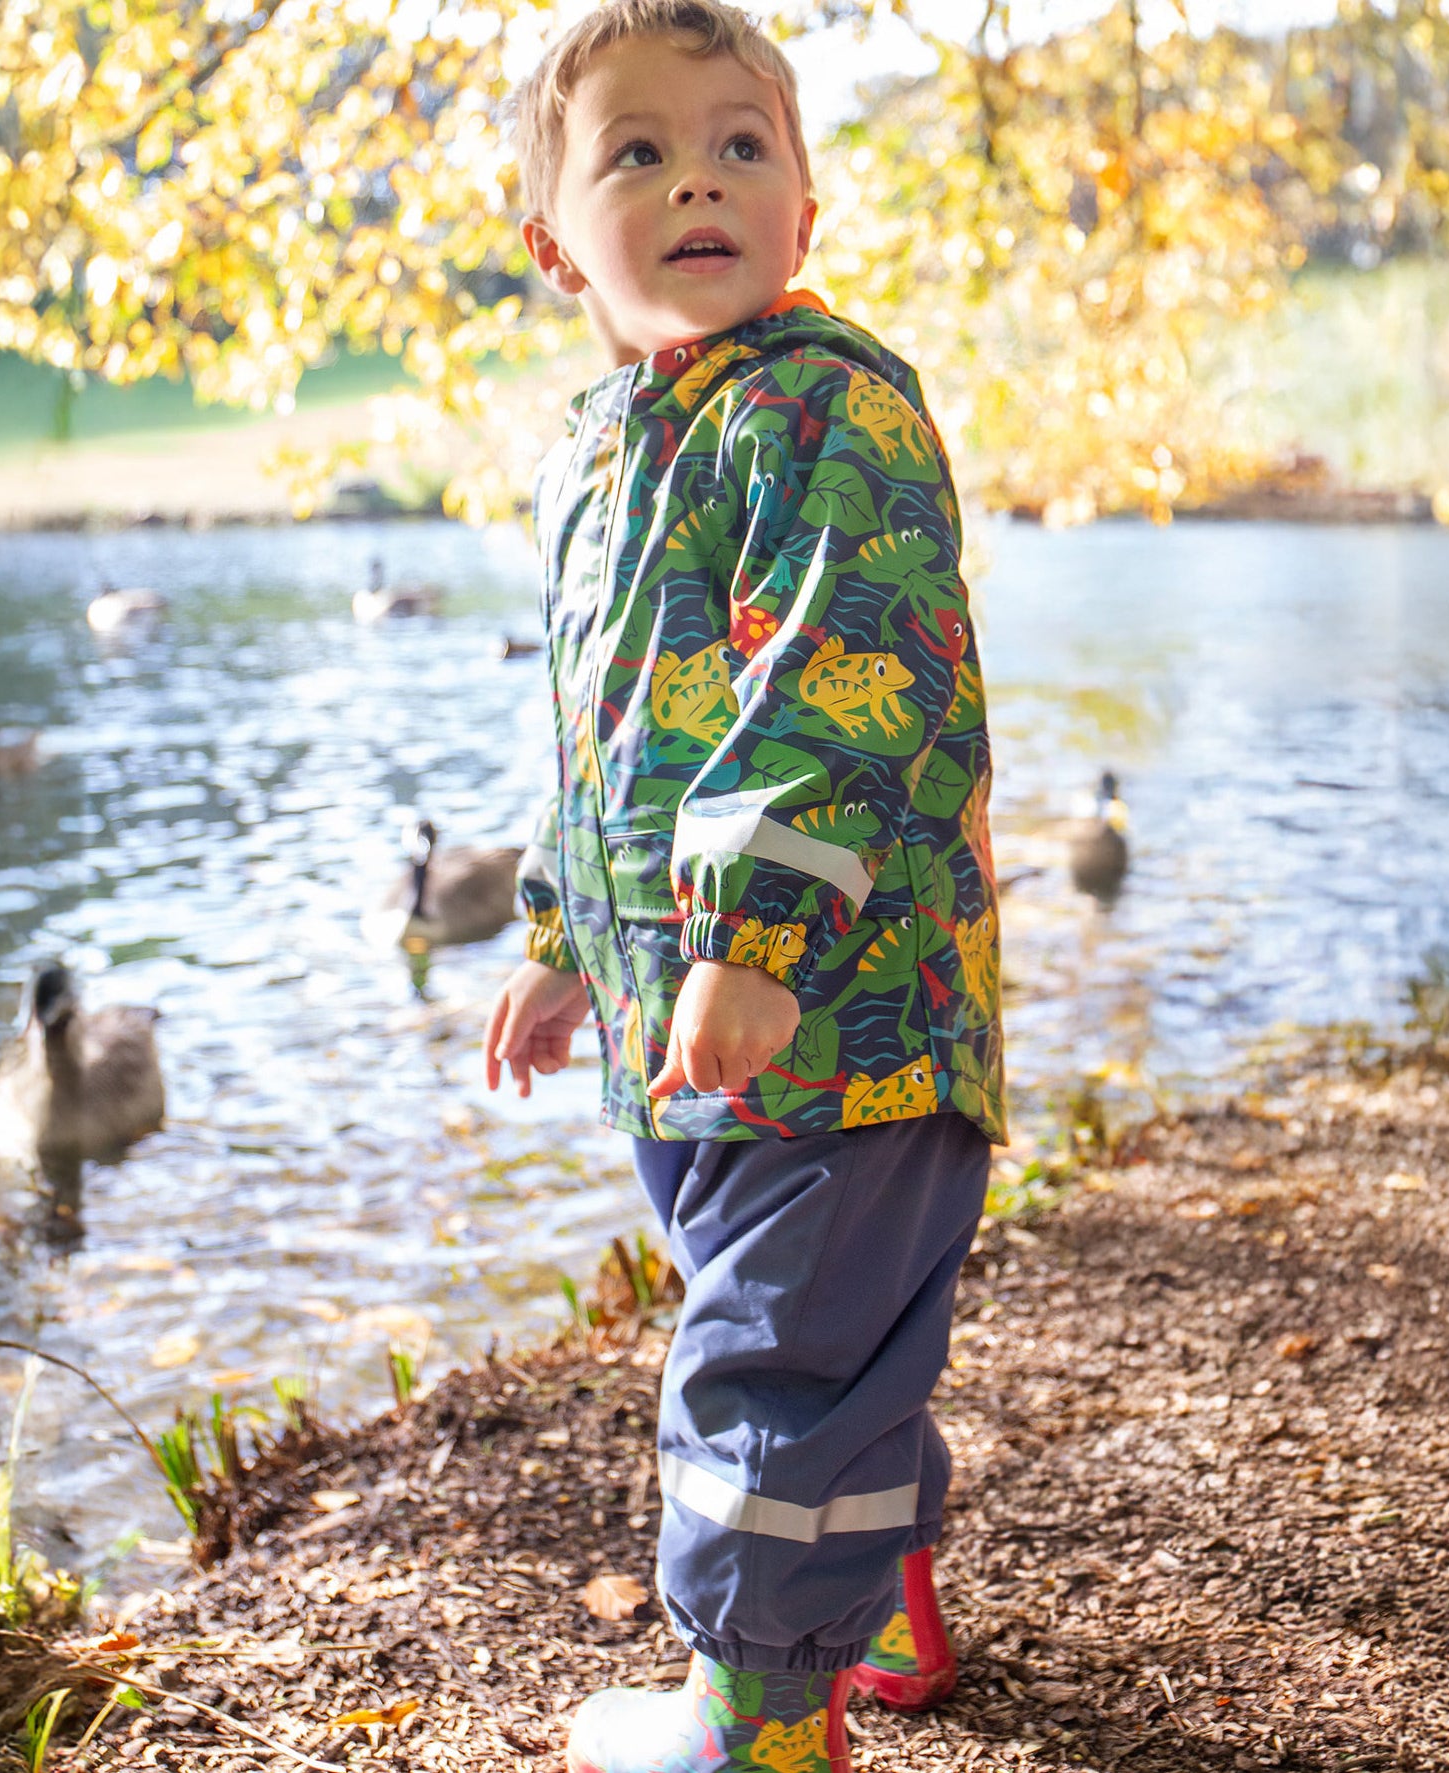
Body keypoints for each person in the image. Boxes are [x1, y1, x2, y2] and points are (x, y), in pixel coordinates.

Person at [484, 6, 1006, 1768]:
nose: (697, 173)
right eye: (637, 150)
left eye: (739, 143)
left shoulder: (821, 414)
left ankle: (758, 1722)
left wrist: (759, 933)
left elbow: (843, 687)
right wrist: (569, 939)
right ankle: (883, 1622)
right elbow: (605, 739)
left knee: (772, 1360)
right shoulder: (601, 456)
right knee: (813, 1330)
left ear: (805, 204)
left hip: (840, 1009)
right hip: (700, 1018)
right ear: (554, 235)